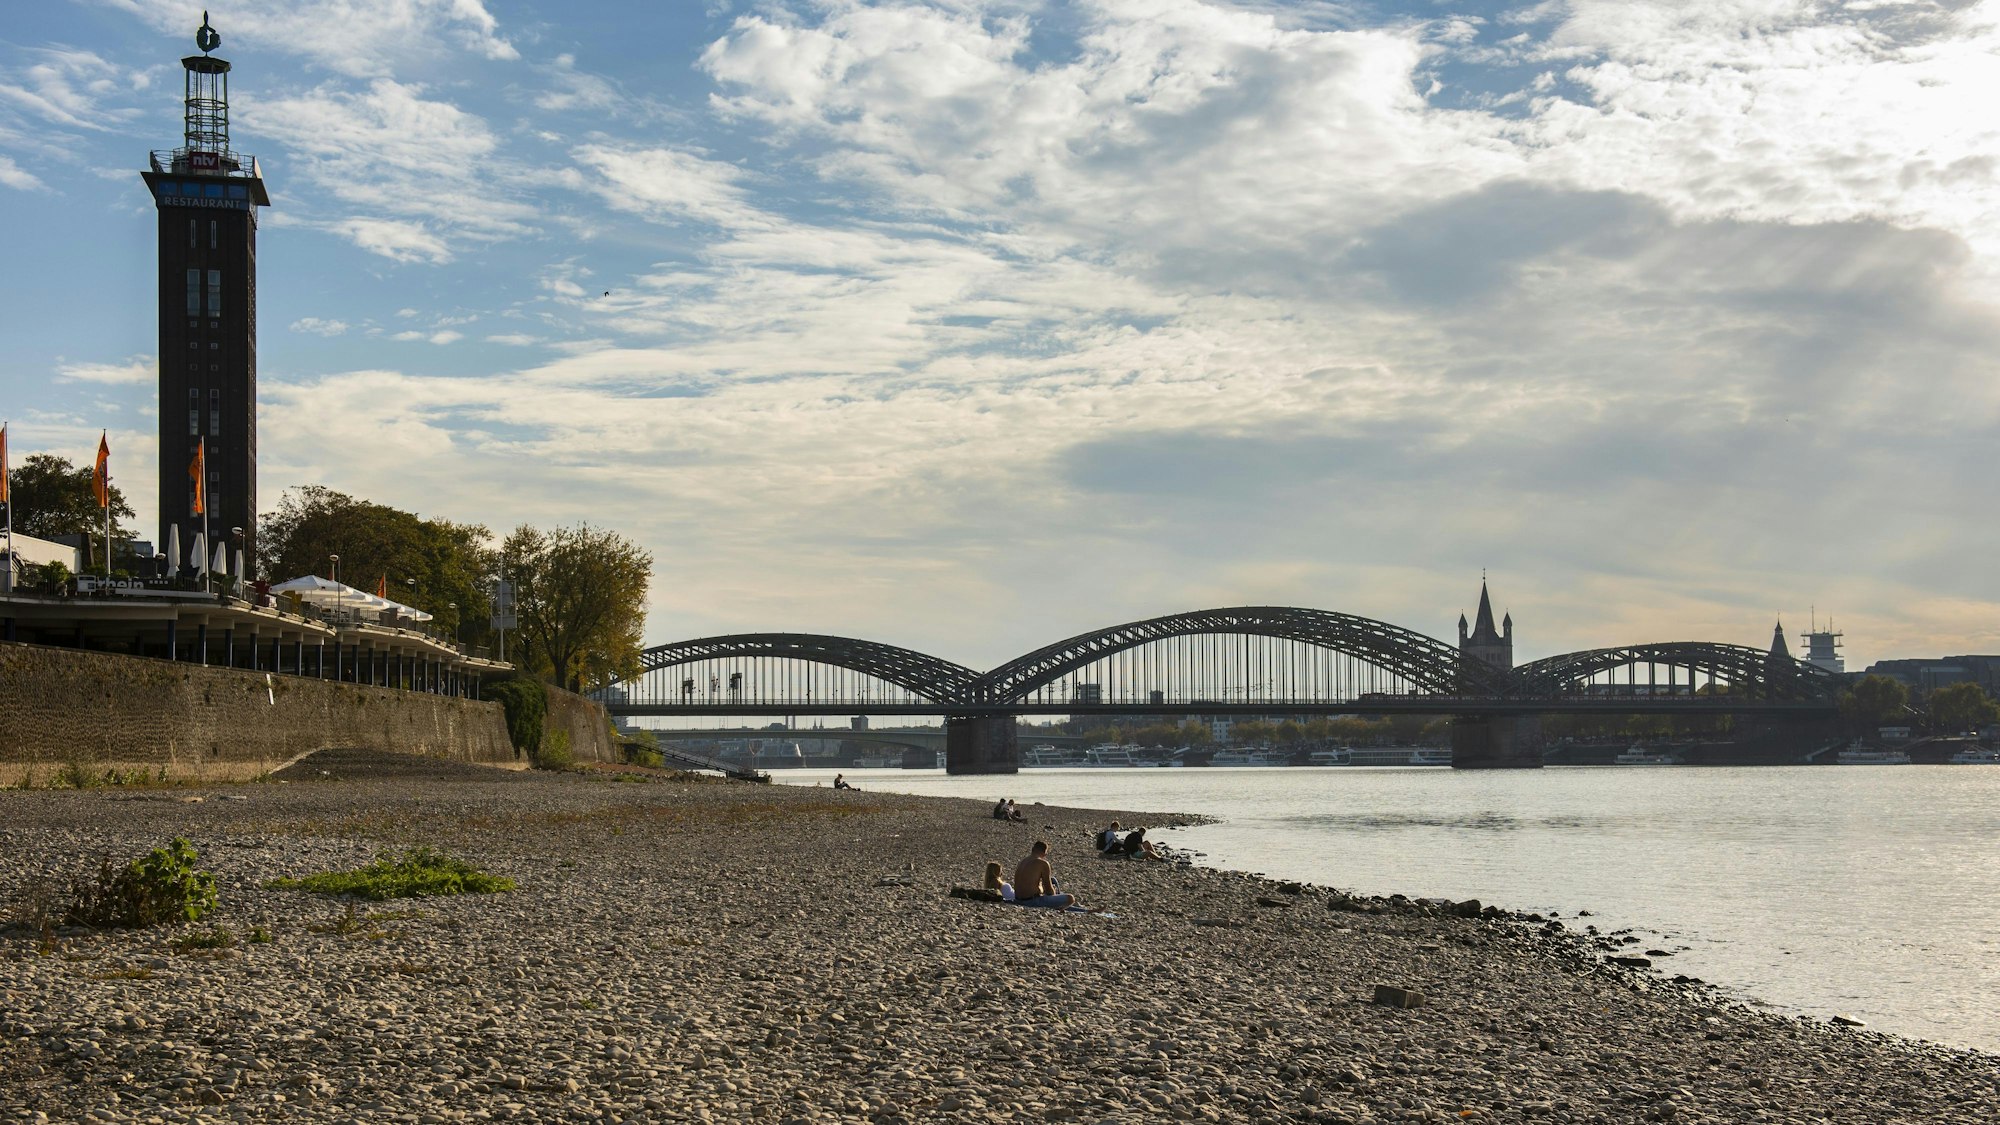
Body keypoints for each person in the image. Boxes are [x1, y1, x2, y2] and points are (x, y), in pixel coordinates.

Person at [1012, 840, 1080, 909]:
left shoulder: (1023, 861)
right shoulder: (1043, 863)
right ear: (1044, 853)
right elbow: (1049, 890)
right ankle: (1081, 910)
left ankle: (1079, 910)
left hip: (1017, 899)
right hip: (1031, 901)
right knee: (1070, 898)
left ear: (1033, 849)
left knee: (1053, 880)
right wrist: (1050, 893)